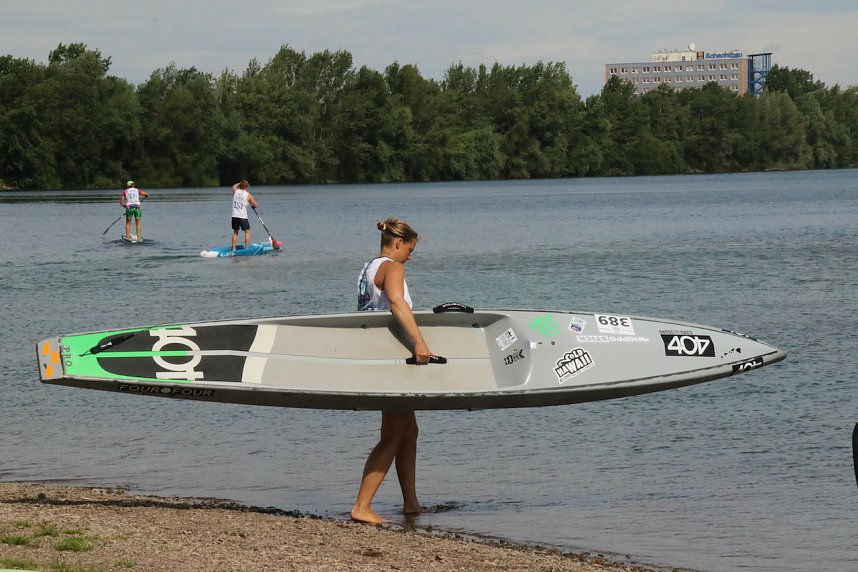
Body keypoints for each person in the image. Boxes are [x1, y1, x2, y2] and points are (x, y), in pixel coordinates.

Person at [351, 217, 434, 525]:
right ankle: (362, 506)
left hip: (377, 356)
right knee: (394, 434)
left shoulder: (368, 268)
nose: (410, 257)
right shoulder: (393, 268)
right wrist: (420, 342)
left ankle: (411, 503)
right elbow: (398, 304)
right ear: (398, 243)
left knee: (408, 430)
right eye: (410, 250)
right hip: (391, 360)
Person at [231, 179, 259, 251]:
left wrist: (239, 183)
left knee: (235, 232)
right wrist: (251, 204)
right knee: (247, 232)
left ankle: (233, 248)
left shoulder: (235, 191)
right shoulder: (248, 195)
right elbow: (256, 205)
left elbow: (234, 186)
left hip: (234, 216)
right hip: (242, 217)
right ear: (247, 186)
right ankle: (247, 249)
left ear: (240, 186)